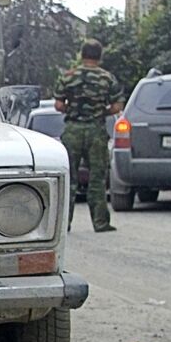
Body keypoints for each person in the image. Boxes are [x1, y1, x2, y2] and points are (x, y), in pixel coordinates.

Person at [54, 40, 124, 233]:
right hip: (95, 131)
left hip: (73, 130)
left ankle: (63, 224)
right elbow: (117, 106)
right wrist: (101, 112)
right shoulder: (107, 78)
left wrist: (74, 110)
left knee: (69, 178)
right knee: (97, 177)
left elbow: (59, 105)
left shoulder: (68, 76)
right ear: (99, 56)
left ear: (82, 54)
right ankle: (100, 222)